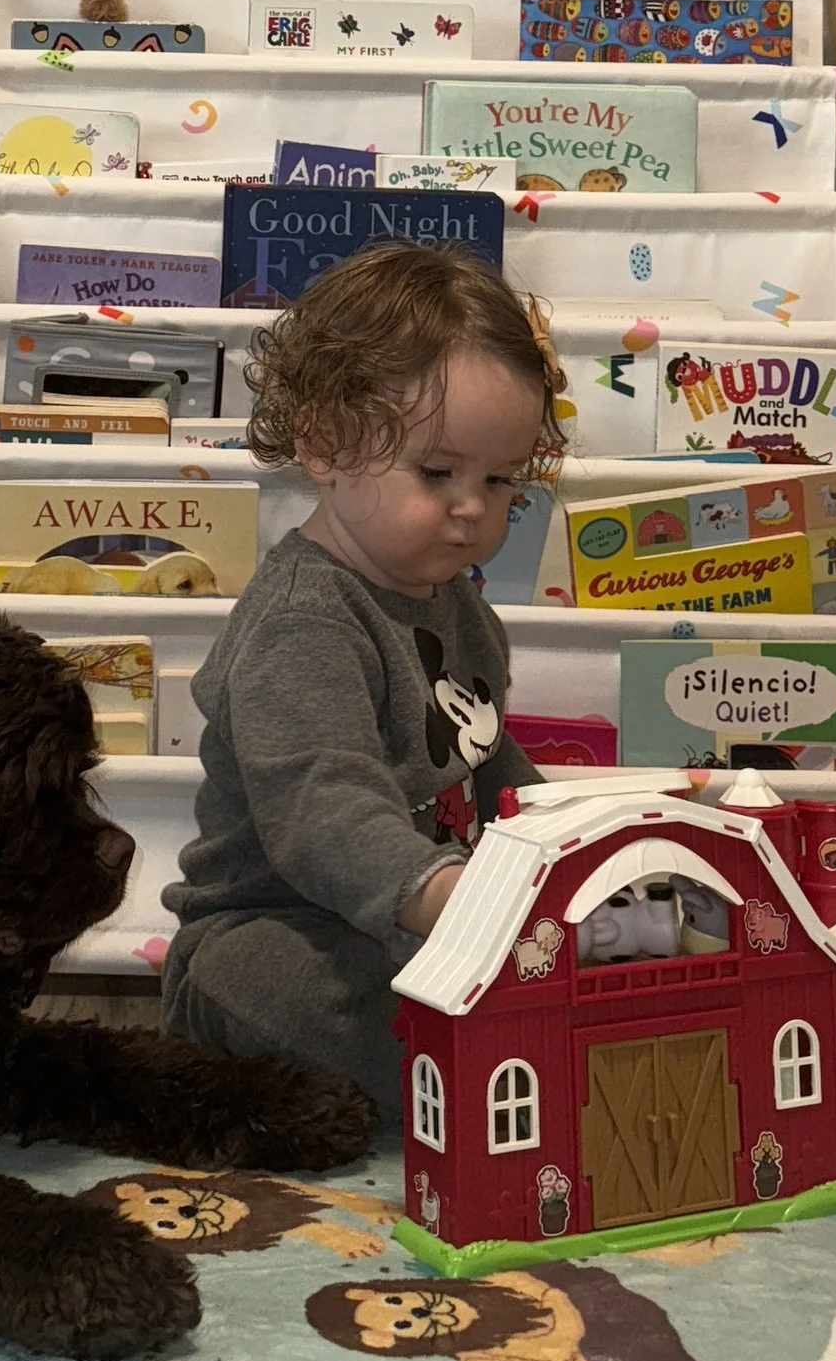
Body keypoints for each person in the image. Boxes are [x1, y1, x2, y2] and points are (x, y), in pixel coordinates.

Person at [160, 243, 563, 1116]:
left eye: (500, 481)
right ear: (325, 446)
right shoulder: (303, 625)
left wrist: (566, 855)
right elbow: (324, 810)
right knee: (305, 993)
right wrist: (455, 897)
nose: (472, 508)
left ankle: (511, 1052)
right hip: (274, 928)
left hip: (418, 916)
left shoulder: (458, 605)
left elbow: (488, 761)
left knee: (511, 983)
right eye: (438, 472)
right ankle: (493, 1066)